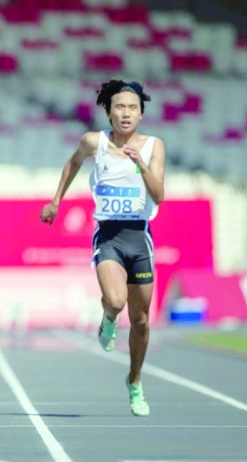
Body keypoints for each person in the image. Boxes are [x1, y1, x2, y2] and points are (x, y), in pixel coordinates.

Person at [40, 79, 165, 418]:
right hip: (108, 235)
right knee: (115, 300)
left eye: (132, 108)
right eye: (119, 107)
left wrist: (140, 163)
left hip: (140, 237)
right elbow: (72, 163)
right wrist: (56, 202)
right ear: (108, 111)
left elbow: (159, 195)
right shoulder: (94, 142)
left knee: (140, 321)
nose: (125, 113)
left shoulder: (154, 146)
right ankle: (108, 316)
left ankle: (135, 381)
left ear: (141, 113)